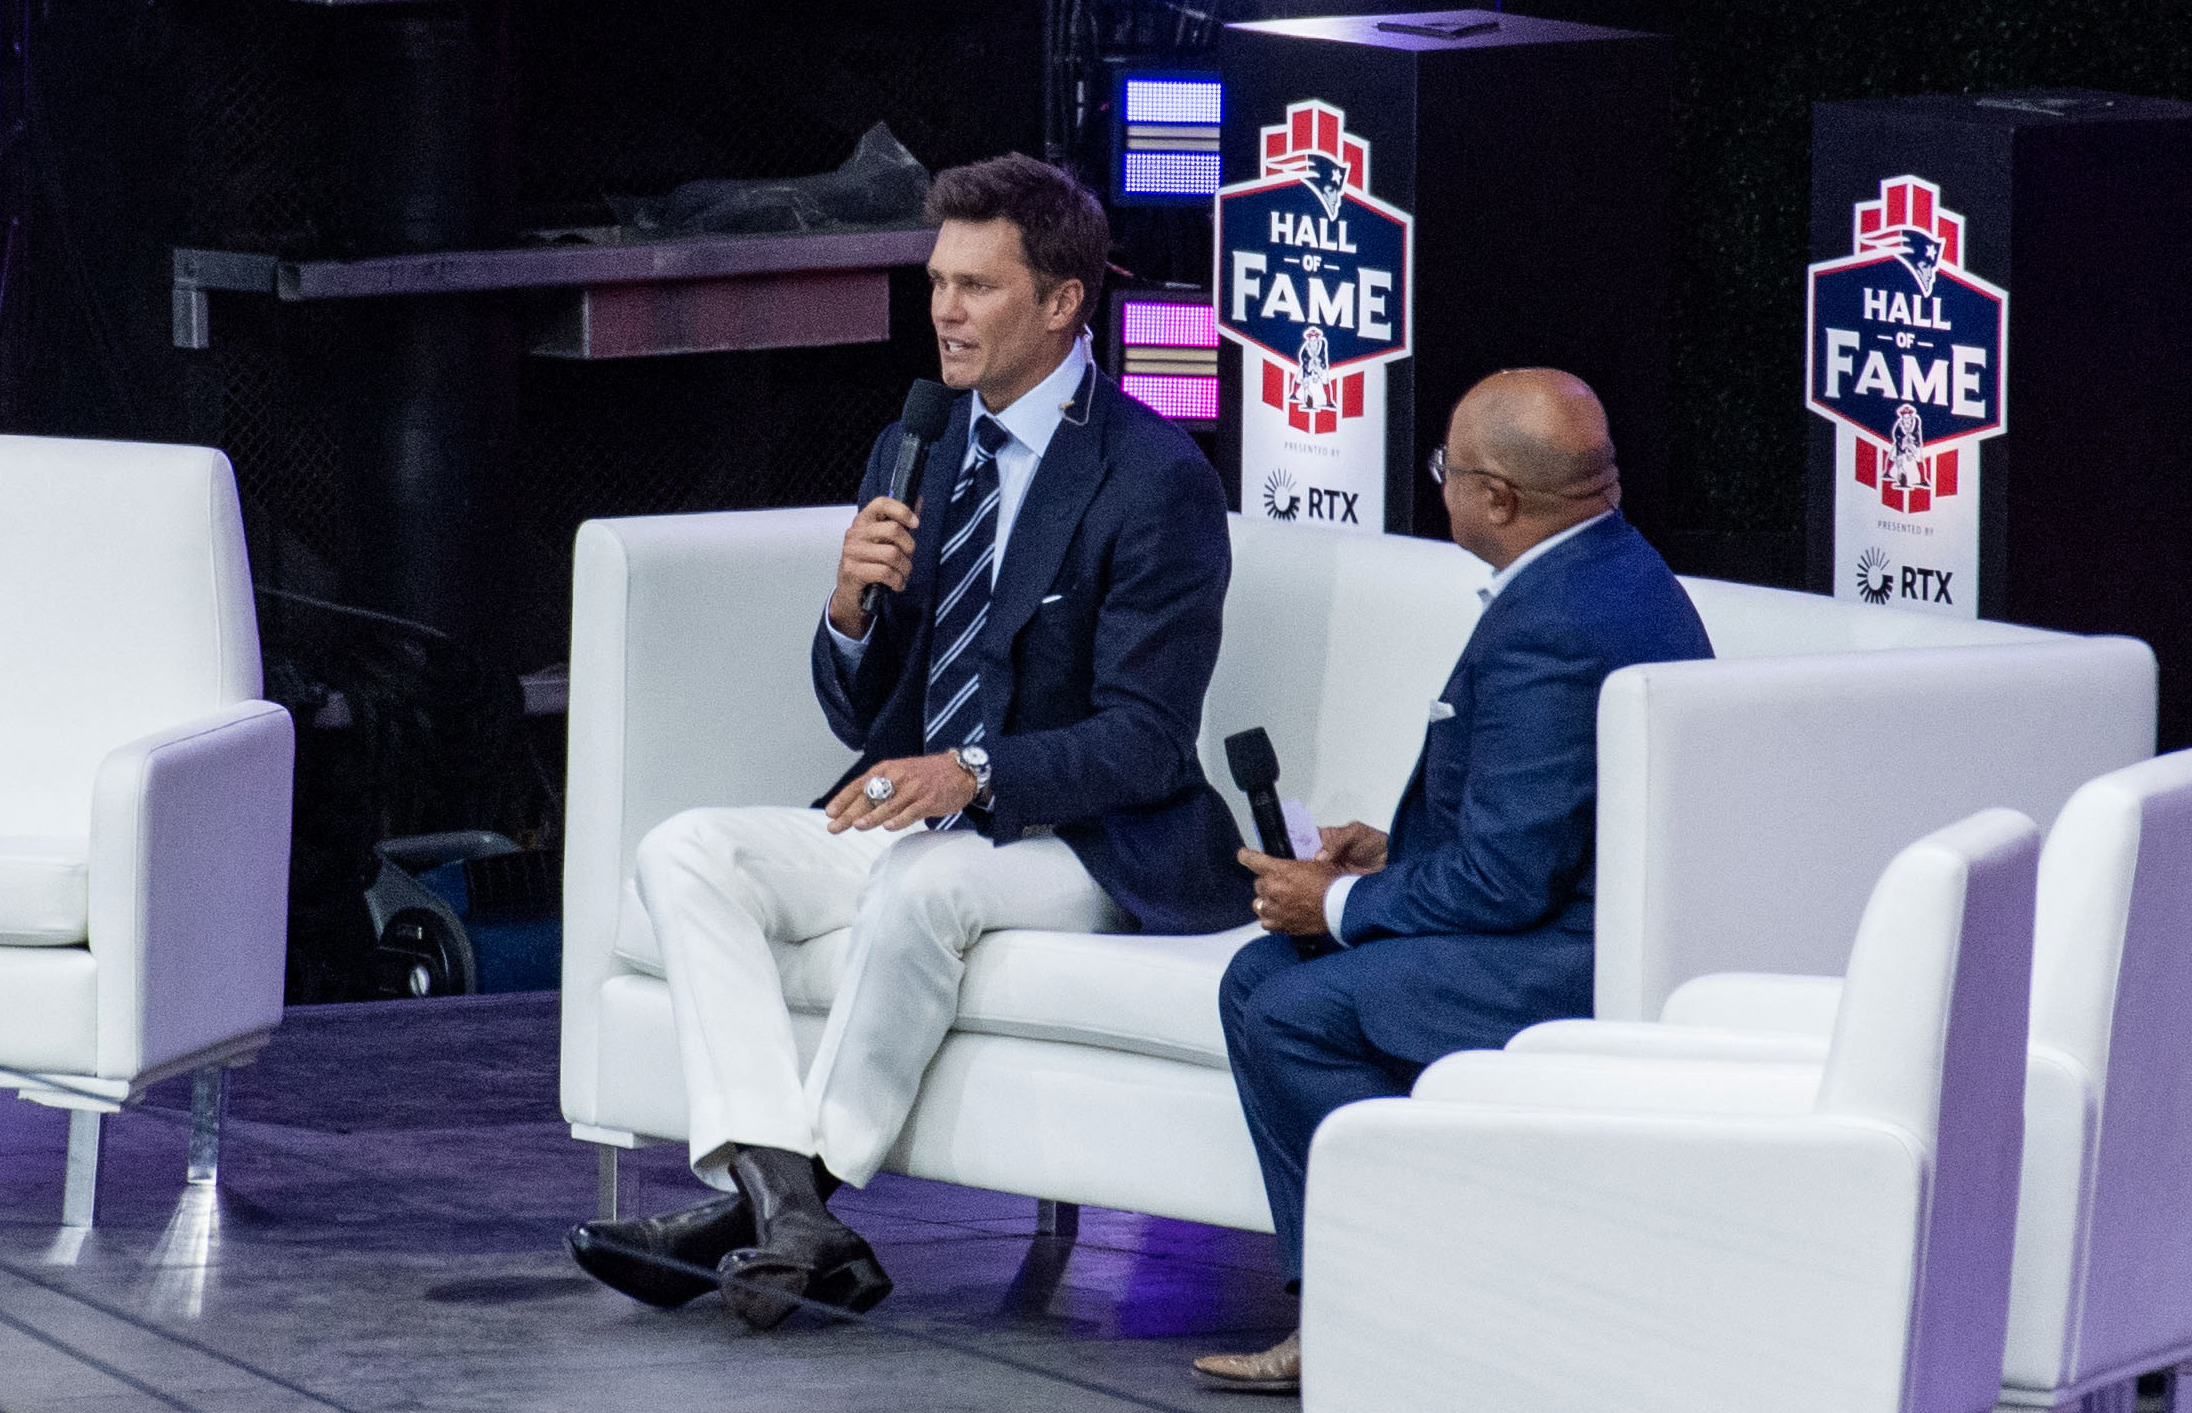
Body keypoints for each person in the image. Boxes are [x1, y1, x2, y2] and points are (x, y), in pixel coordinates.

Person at [567, 153, 1253, 1330]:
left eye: (976, 287)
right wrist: (845, 610)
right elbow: (864, 711)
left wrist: (975, 769)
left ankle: (770, 1212)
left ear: (1059, 301)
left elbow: (1143, 740)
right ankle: (792, 1208)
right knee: (688, 850)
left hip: (1082, 838)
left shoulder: (1152, 480)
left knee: (924, 888)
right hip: (923, 804)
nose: (942, 310)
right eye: (936, 281)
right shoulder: (922, 445)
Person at [1191, 369, 1714, 1393]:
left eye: (1446, 472)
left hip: (1564, 962)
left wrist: (1334, 902)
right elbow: (1542, 824)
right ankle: (1343, 1304)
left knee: (1289, 1007)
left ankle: (1392, 1304)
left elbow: (1509, 883)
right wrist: (1390, 854)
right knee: (1259, 977)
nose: (1440, 490)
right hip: (1554, 918)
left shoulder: (1555, 624)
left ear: (1497, 501)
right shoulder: (1606, 571)